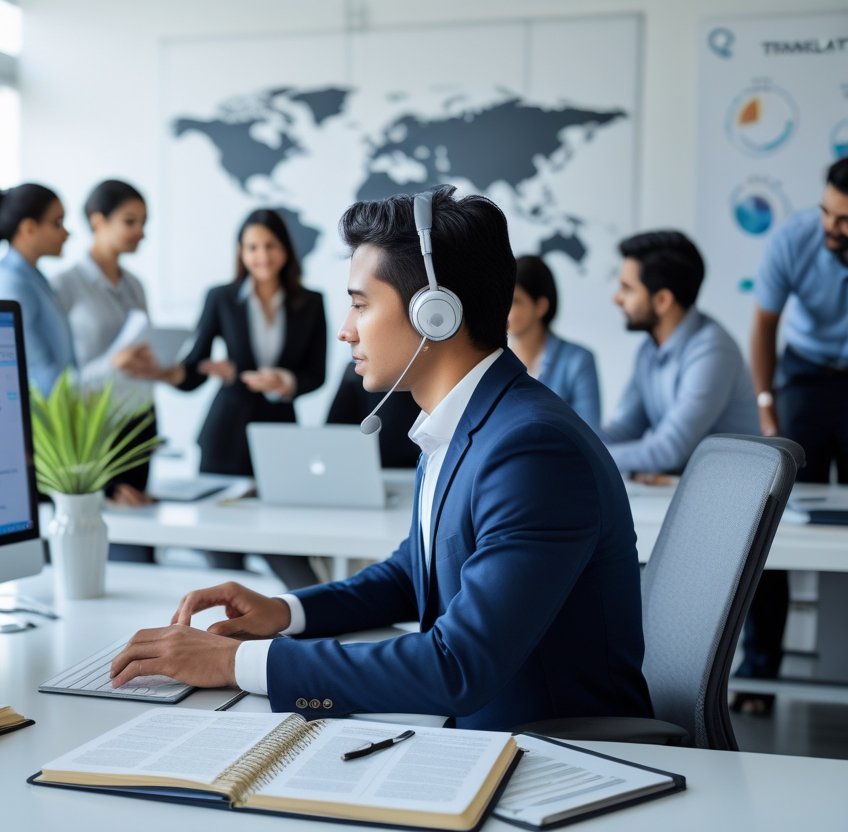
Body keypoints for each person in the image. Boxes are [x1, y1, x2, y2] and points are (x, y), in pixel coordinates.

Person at [111, 187, 653, 730]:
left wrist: (238, 662)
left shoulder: (532, 450)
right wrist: (287, 613)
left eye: (361, 303)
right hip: (481, 737)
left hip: (551, 758)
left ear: (435, 315)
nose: (346, 329)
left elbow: (456, 665)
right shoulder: (465, 422)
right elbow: (411, 573)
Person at [158, 209, 327, 589]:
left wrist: (284, 381)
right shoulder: (221, 298)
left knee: (288, 548)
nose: (261, 255)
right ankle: (230, 637)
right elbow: (192, 366)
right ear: (240, 252)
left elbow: (316, 374)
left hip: (279, 438)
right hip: (224, 437)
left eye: (270, 245)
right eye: (252, 247)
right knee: (223, 554)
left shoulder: (310, 302)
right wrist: (191, 370)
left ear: (285, 250)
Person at [740, 158, 848, 714]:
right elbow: (764, 323)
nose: (834, 226)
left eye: (845, 219)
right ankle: (758, 675)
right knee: (775, 525)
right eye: (829, 211)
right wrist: (768, 407)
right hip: (803, 375)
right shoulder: (795, 239)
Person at [53, 180, 163, 563]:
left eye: (144, 222)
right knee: (100, 543)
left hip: (139, 421)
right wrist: (111, 364)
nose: (140, 232)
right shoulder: (64, 286)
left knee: (141, 538)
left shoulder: (136, 286)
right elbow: (58, 378)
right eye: (130, 221)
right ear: (98, 221)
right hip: (94, 432)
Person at [601, 231, 758, 477]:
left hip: (735, 496)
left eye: (627, 289)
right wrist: (575, 444)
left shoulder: (713, 350)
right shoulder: (649, 350)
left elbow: (669, 450)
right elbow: (624, 429)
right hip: (693, 489)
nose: (616, 299)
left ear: (662, 300)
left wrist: (586, 457)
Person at [0, 183, 74, 397]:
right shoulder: (12, 287)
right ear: (28, 229)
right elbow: (40, 374)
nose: (66, 233)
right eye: (57, 223)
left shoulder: (32, 277)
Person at [508, 255, 601, 427]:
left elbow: (591, 433)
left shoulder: (578, 361)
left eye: (515, 301)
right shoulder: (497, 362)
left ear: (541, 306)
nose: (504, 310)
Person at [325, 360, 419, 468]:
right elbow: (332, 441)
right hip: (370, 471)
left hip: (414, 470)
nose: (346, 341)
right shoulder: (355, 374)